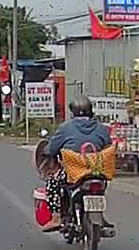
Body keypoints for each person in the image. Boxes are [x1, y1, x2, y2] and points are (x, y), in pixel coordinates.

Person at [42, 96, 113, 227]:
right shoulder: (102, 129)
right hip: (96, 171)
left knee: (52, 182)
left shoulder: (65, 128)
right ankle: (100, 214)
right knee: (101, 185)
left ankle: (56, 217)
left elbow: (51, 150)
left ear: (72, 113)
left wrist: (46, 151)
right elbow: (108, 147)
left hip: (73, 172)